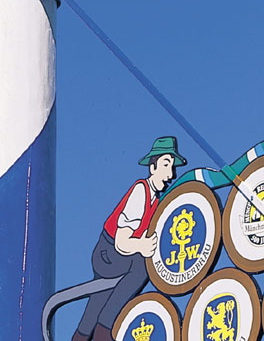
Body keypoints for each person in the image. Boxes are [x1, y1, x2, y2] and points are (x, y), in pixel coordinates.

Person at [71, 137, 186, 341]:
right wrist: (141, 245)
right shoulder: (140, 191)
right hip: (108, 253)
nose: (171, 174)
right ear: (153, 167)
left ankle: (83, 336)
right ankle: (104, 329)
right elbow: (121, 242)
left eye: (172, 167)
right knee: (141, 266)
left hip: (119, 255)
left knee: (97, 303)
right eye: (166, 165)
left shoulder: (156, 200)